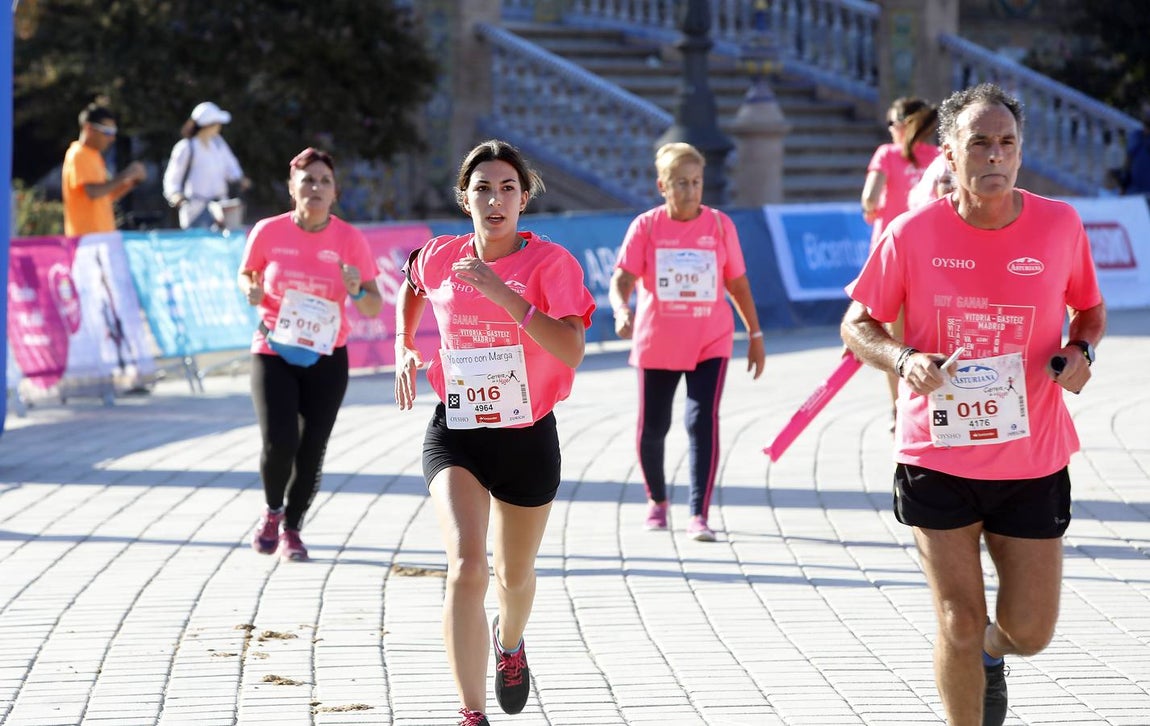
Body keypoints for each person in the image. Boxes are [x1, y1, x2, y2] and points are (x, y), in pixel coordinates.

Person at [841, 82, 1106, 726]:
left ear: (1020, 153)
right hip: (938, 452)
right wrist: (905, 360)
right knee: (958, 621)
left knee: (1029, 632)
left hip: (1032, 455)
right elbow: (858, 325)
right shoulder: (910, 232)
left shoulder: (1060, 224)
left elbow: (1090, 312)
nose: (995, 156)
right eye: (980, 143)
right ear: (949, 154)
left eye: (1007, 143)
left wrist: (1081, 354)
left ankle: (993, 652)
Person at [394, 140, 594, 726]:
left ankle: (511, 643)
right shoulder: (439, 257)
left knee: (514, 576)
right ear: (465, 199)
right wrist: (407, 345)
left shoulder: (552, 265)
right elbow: (412, 283)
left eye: (507, 187)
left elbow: (572, 350)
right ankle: (471, 713)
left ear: (524, 198)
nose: (495, 198)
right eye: (482, 188)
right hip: (457, 431)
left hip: (528, 437)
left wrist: (499, 291)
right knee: (467, 568)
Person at [608, 142, 766, 542]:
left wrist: (755, 334)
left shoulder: (718, 226)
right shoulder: (646, 226)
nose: (690, 190)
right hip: (657, 341)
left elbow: (737, 282)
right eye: (680, 183)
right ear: (662, 185)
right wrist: (621, 309)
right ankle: (657, 501)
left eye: (696, 182)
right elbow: (622, 278)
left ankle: (699, 513)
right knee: (654, 427)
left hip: (709, 340)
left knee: (701, 422)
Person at [239, 147, 382, 563]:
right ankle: (271, 511)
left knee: (311, 449)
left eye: (324, 181)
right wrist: (248, 288)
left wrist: (356, 288)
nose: (315, 188)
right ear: (292, 189)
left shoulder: (350, 240)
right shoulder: (268, 231)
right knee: (279, 441)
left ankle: (293, 530)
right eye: (307, 180)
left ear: (334, 192)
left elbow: (372, 305)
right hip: (273, 350)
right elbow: (246, 272)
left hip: (326, 357)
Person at [860, 97, 941, 424]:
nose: (891, 130)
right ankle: (935, 402)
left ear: (904, 124)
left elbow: (869, 197)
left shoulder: (886, 154)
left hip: (891, 257)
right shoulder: (936, 157)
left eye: (893, 124)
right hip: (933, 257)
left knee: (893, 341)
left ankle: (899, 408)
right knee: (929, 333)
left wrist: (872, 209)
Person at [61, 103, 148, 236]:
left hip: (102, 236)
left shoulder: (94, 155)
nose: (112, 138)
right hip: (86, 239)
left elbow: (106, 195)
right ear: (88, 128)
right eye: (107, 132)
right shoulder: (78, 154)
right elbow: (93, 192)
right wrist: (125, 175)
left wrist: (132, 181)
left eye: (113, 133)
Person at [163, 101, 250, 230]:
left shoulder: (218, 143)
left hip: (221, 208)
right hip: (196, 211)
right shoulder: (186, 147)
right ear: (207, 125)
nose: (219, 127)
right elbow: (172, 178)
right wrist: (175, 195)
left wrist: (240, 179)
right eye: (216, 123)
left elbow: (231, 166)